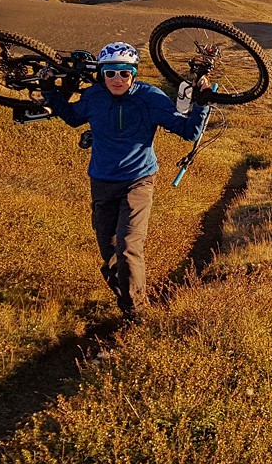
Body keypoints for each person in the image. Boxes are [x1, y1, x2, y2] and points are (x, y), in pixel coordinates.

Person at [44, 41, 208, 321]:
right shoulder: (94, 96)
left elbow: (189, 131)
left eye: (124, 72)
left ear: (134, 73)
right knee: (108, 251)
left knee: (129, 247)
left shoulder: (150, 98)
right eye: (110, 73)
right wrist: (49, 90)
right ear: (101, 74)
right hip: (101, 182)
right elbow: (73, 118)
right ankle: (128, 297)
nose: (117, 79)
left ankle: (137, 313)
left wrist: (202, 104)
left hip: (138, 182)